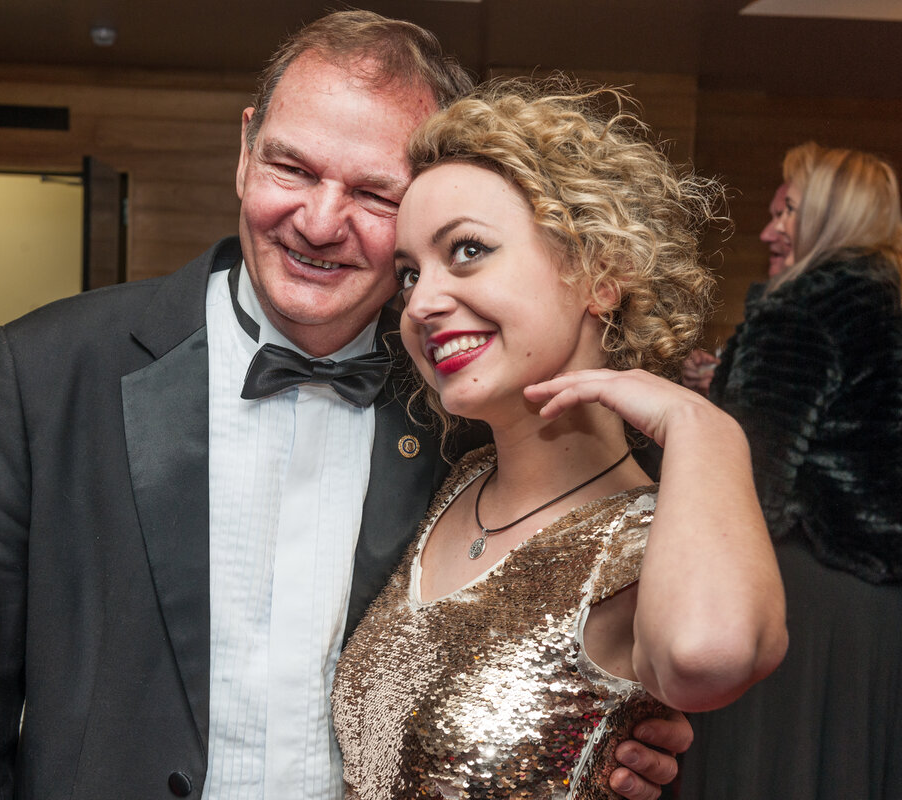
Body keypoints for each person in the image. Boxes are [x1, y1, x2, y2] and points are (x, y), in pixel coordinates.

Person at [0, 12, 692, 800]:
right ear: (246, 150)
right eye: (293, 169)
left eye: (375, 193)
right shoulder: (45, 372)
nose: (319, 222)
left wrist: (598, 736)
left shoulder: (469, 410)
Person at [331, 78, 787, 799]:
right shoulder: (454, 483)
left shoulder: (651, 535)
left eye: (469, 250)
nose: (420, 303)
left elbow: (708, 656)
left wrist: (701, 424)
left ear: (599, 273)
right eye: (410, 274)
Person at [680, 143, 902, 799]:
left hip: (803, 599)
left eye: (789, 213)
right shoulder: (887, 305)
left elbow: (749, 484)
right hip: (881, 609)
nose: (768, 230)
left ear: (836, 218)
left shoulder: (799, 307)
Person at [680, 182, 793, 395]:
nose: (766, 234)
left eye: (783, 215)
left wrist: (722, 389)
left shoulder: (815, 318)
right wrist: (717, 376)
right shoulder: (775, 310)